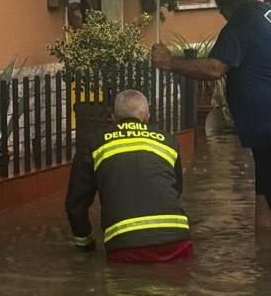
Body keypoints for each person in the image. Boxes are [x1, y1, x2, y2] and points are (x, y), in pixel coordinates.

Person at [151, 0, 271, 236]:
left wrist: (170, 62)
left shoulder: (240, 24)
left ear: (224, 8)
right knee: (265, 187)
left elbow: (215, 67)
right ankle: (264, 250)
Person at [65, 90, 193, 263]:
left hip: (125, 245)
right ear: (147, 117)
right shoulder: (168, 141)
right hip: (177, 240)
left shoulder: (93, 144)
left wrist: (85, 247)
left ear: (113, 117)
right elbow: (176, 190)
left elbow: (76, 206)